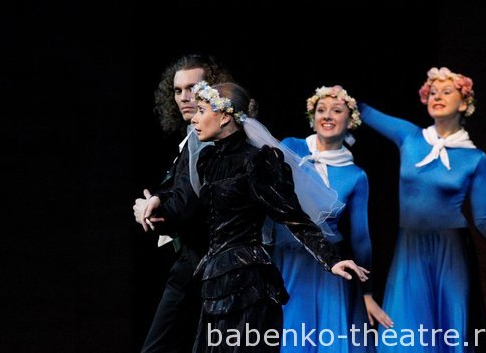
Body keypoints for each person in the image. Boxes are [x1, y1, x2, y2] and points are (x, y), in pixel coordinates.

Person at [143, 81, 370, 353]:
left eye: (202, 111)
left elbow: (292, 216)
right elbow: (188, 204)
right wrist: (158, 203)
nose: (194, 119)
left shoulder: (257, 162)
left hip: (247, 282)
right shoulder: (207, 160)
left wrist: (331, 259)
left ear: (225, 116)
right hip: (214, 278)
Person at [358, 67, 486, 352]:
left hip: (451, 251)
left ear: (463, 103)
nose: (437, 96)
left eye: (446, 92)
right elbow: (363, 111)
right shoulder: (410, 137)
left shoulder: (475, 158)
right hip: (410, 249)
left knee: (449, 329)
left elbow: (484, 221)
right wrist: (338, 96)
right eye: (433, 92)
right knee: (404, 329)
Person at [266, 85, 392, 352]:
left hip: (329, 268)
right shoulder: (291, 147)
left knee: (327, 339)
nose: (327, 115)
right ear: (312, 118)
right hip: (289, 261)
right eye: (321, 110)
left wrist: (367, 292)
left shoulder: (355, 175)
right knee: (291, 335)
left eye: (336, 110)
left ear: (351, 121)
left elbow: (361, 238)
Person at [132, 54, 234, 353]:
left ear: (213, 90)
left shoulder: (211, 139)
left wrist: (151, 209)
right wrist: (155, 201)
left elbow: (187, 201)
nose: (184, 97)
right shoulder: (196, 136)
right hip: (194, 262)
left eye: (192, 88)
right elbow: (179, 190)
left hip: (206, 264)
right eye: (178, 90)